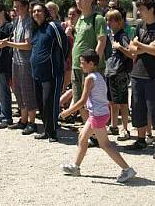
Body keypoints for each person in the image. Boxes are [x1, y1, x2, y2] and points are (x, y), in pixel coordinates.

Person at [59, 49, 137, 183]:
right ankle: (76, 167)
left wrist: (67, 112)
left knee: (105, 144)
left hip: (97, 115)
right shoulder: (98, 76)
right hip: (99, 114)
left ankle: (127, 169)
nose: (81, 64)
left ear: (91, 63)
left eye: (83, 62)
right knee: (83, 138)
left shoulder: (90, 78)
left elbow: (82, 101)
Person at [125, 0, 155, 159]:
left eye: (142, 9)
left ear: (151, 9)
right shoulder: (139, 26)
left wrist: (140, 46)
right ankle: (141, 139)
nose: (139, 12)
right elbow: (131, 49)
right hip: (137, 73)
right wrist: (146, 48)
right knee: (137, 108)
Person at [0, 0, 38, 134]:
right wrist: (7, 41)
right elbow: (15, 39)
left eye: (18, 6)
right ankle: (23, 119)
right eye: (14, 7)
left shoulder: (28, 22)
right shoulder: (17, 21)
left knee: (28, 92)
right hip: (16, 61)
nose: (16, 9)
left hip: (26, 62)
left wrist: (8, 44)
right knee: (18, 91)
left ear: (26, 7)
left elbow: (28, 45)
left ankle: (32, 122)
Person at [29, 2, 68, 141]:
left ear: (45, 12)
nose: (36, 13)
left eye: (39, 11)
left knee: (49, 102)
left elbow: (65, 44)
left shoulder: (53, 26)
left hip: (52, 73)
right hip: (37, 73)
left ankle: (52, 133)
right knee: (40, 103)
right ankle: (46, 130)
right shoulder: (35, 29)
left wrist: (61, 62)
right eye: (34, 11)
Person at [71, 0, 107, 124]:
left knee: (93, 103)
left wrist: (93, 66)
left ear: (90, 0)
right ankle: (91, 132)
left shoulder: (97, 19)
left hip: (90, 69)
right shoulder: (79, 19)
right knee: (79, 100)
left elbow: (102, 42)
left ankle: (95, 132)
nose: (77, 2)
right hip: (77, 65)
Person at [105, 9, 133, 141]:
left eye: (111, 20)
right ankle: (113, 126)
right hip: (110, 72)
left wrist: (120, 47)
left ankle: (125, 129)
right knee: (112, 101)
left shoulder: (123, 36)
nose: (108, 23)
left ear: (118, 21)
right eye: (107, 20)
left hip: (120, 73)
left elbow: (131, 53)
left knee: (122, 102)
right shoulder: (111, 35)